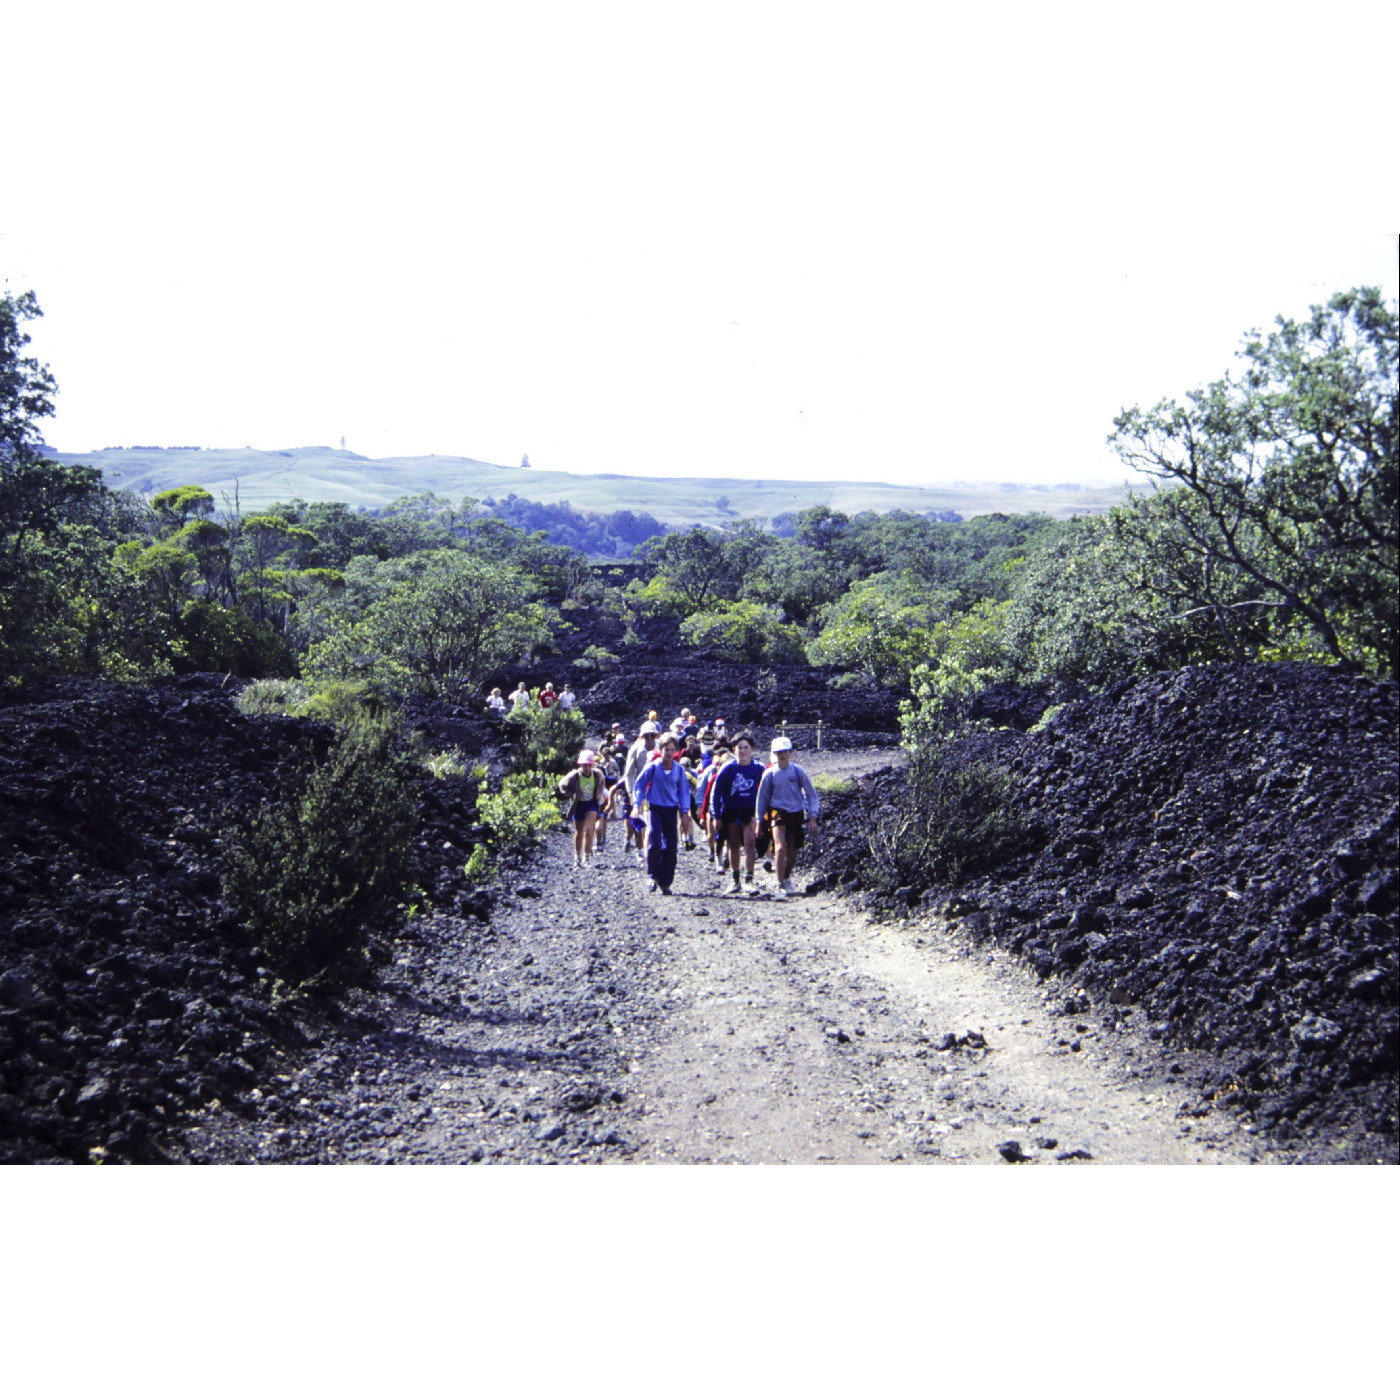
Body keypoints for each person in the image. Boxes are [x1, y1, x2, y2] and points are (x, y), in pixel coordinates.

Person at [755, 735, 820, 900]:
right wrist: (759, 821)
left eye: (784, 752)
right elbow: (762, 798)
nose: (781, 755)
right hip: (777, 812)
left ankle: (786, 876)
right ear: (773, 754)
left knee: (793, 850)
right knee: (780, 846)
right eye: (778, 752)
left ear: (790, 752)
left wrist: (813, 816)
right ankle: (780, 884)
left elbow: (811, 794)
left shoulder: (798, 771)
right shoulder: (769, 774)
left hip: (796, 812)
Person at [710, 732, 765, 895]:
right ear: (734, 749)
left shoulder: (758, 768)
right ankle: (735, 880)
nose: (742, 751)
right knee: (733, 845)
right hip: (731, 811)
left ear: (752, 749)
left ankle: (749, 880)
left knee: (750, 844)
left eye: (746, 747)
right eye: (739, 747)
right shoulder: (728, 768)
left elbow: (767, 789)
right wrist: (716, 815)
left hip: (750, 810)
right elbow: (716, 792)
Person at [633, 733, 687, 894]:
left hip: (671, 810)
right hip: (655, 808)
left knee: (671, 847)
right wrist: (637, 805)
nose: (669, 753)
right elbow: (640, 785)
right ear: (660, 750)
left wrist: (684, 812)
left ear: (676, 751)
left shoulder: (679, 770)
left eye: (672, 750)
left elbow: (684, 791)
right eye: (666, 749)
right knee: (655, 842)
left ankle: (665, 882)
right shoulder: (653, 767)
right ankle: (652, 875)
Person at [558, 750, 605, 867]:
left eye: (590, 765)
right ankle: (577, 857)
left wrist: (599, 793)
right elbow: (562, 785)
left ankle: (586, 858)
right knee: (579, 832)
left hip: (591, 804)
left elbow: (602, 782)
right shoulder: (575, 775)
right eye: (585, 765)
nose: (587, 767)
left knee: (588, 830)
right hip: (578, 805)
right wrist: (571, 794)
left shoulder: (597, 774)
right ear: (580, 764)